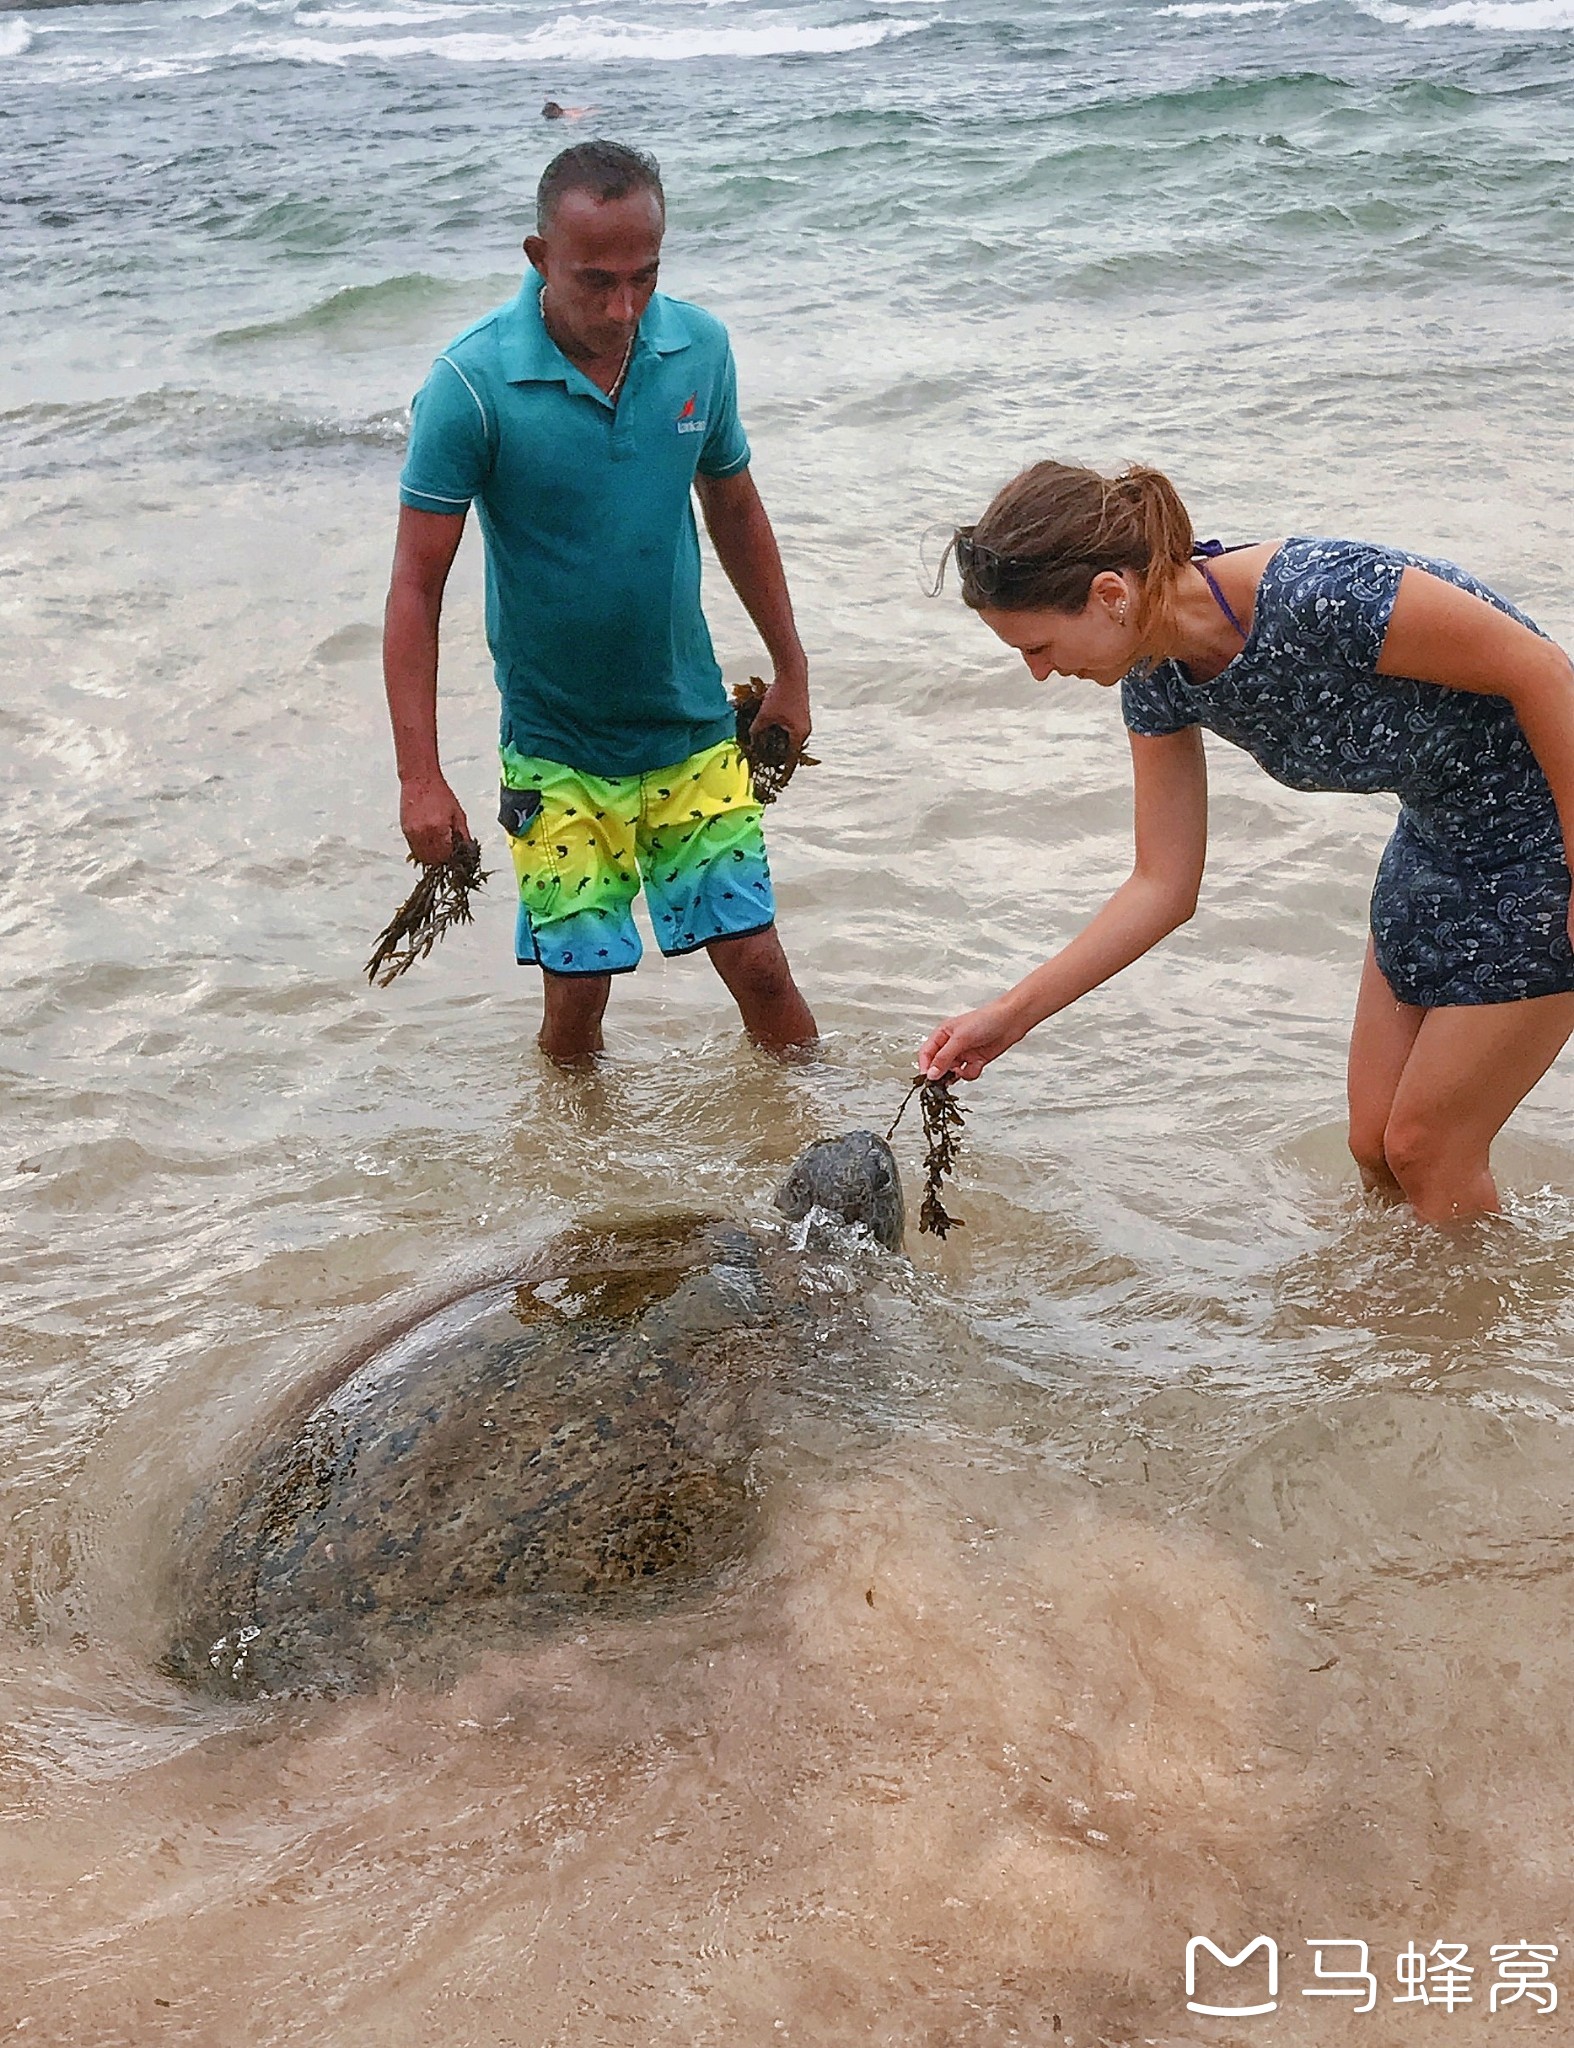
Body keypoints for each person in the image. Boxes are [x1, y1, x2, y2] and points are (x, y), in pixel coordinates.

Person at [917, 460, 1574, 1224]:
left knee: (1427, 1146)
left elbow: (1545, 672)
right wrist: (1011, 1015)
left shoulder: (1320, 593)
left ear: (1108, 595)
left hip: (1548, 835)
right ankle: (1414, 1333)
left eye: (1035, 645)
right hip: (1433, 838)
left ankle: (1471, 1339)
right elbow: (1163, 885)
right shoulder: (1157, 677)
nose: (1037, 672)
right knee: (1374, 1147)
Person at [384, 140, 816, 1063]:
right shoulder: (469, 386)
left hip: (693, 732)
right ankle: (577, 1191)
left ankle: (833, 1149)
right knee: (578, 1000)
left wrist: (792, 669)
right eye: (596, 282)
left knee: (763, 969)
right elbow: (416, 590)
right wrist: (420, 777)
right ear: (539, 258)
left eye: (644, 278)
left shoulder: (698, 348)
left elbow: (734, 504)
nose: (624, 309)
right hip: (557, 754)